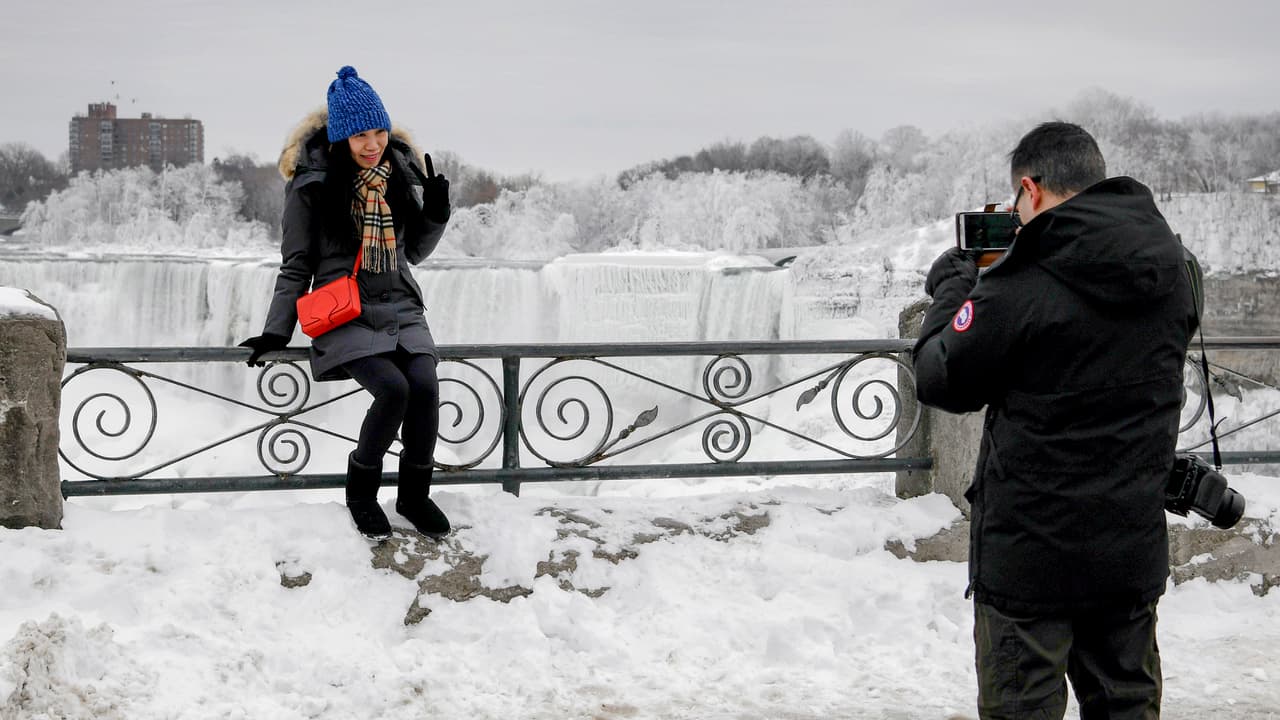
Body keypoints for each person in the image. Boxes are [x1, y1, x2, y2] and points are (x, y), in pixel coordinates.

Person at [912, 122, 1200, 718]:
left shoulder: (1021, 285)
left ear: (1031, 189)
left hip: (1029, 564)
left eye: (1017, 204)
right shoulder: (1175, 272)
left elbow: (940, 377)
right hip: (1128, 552)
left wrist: (956, 286)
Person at [238, 66, 452, 542]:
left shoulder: (397, 173)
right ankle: (361, 493)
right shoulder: (311, 184)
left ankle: (414, 496)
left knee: (425, 387)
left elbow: (412, 251)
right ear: (340, 137)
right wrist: (278, 329)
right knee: (393, 390)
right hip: (346, 311)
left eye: (378, 131)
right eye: (360, 135)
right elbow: (296, 264)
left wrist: (436, 213)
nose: (372, 143)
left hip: (400, 306)